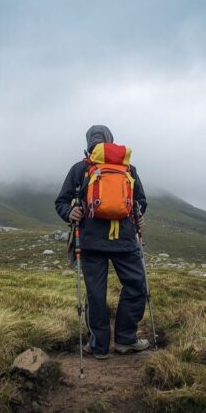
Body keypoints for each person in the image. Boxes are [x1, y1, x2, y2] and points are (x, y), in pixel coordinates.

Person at [55, 125, 150, 359]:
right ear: (110, 141)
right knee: (136, 287)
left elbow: (61, 202)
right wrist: (138, 215)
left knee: (96, 294)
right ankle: (126, 340)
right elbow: (141, 201)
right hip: (126, 241)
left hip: (90, 242)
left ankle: (98, 346)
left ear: (88, 144)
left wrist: (70, 213)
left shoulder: (79, 169)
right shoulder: (129, 169)